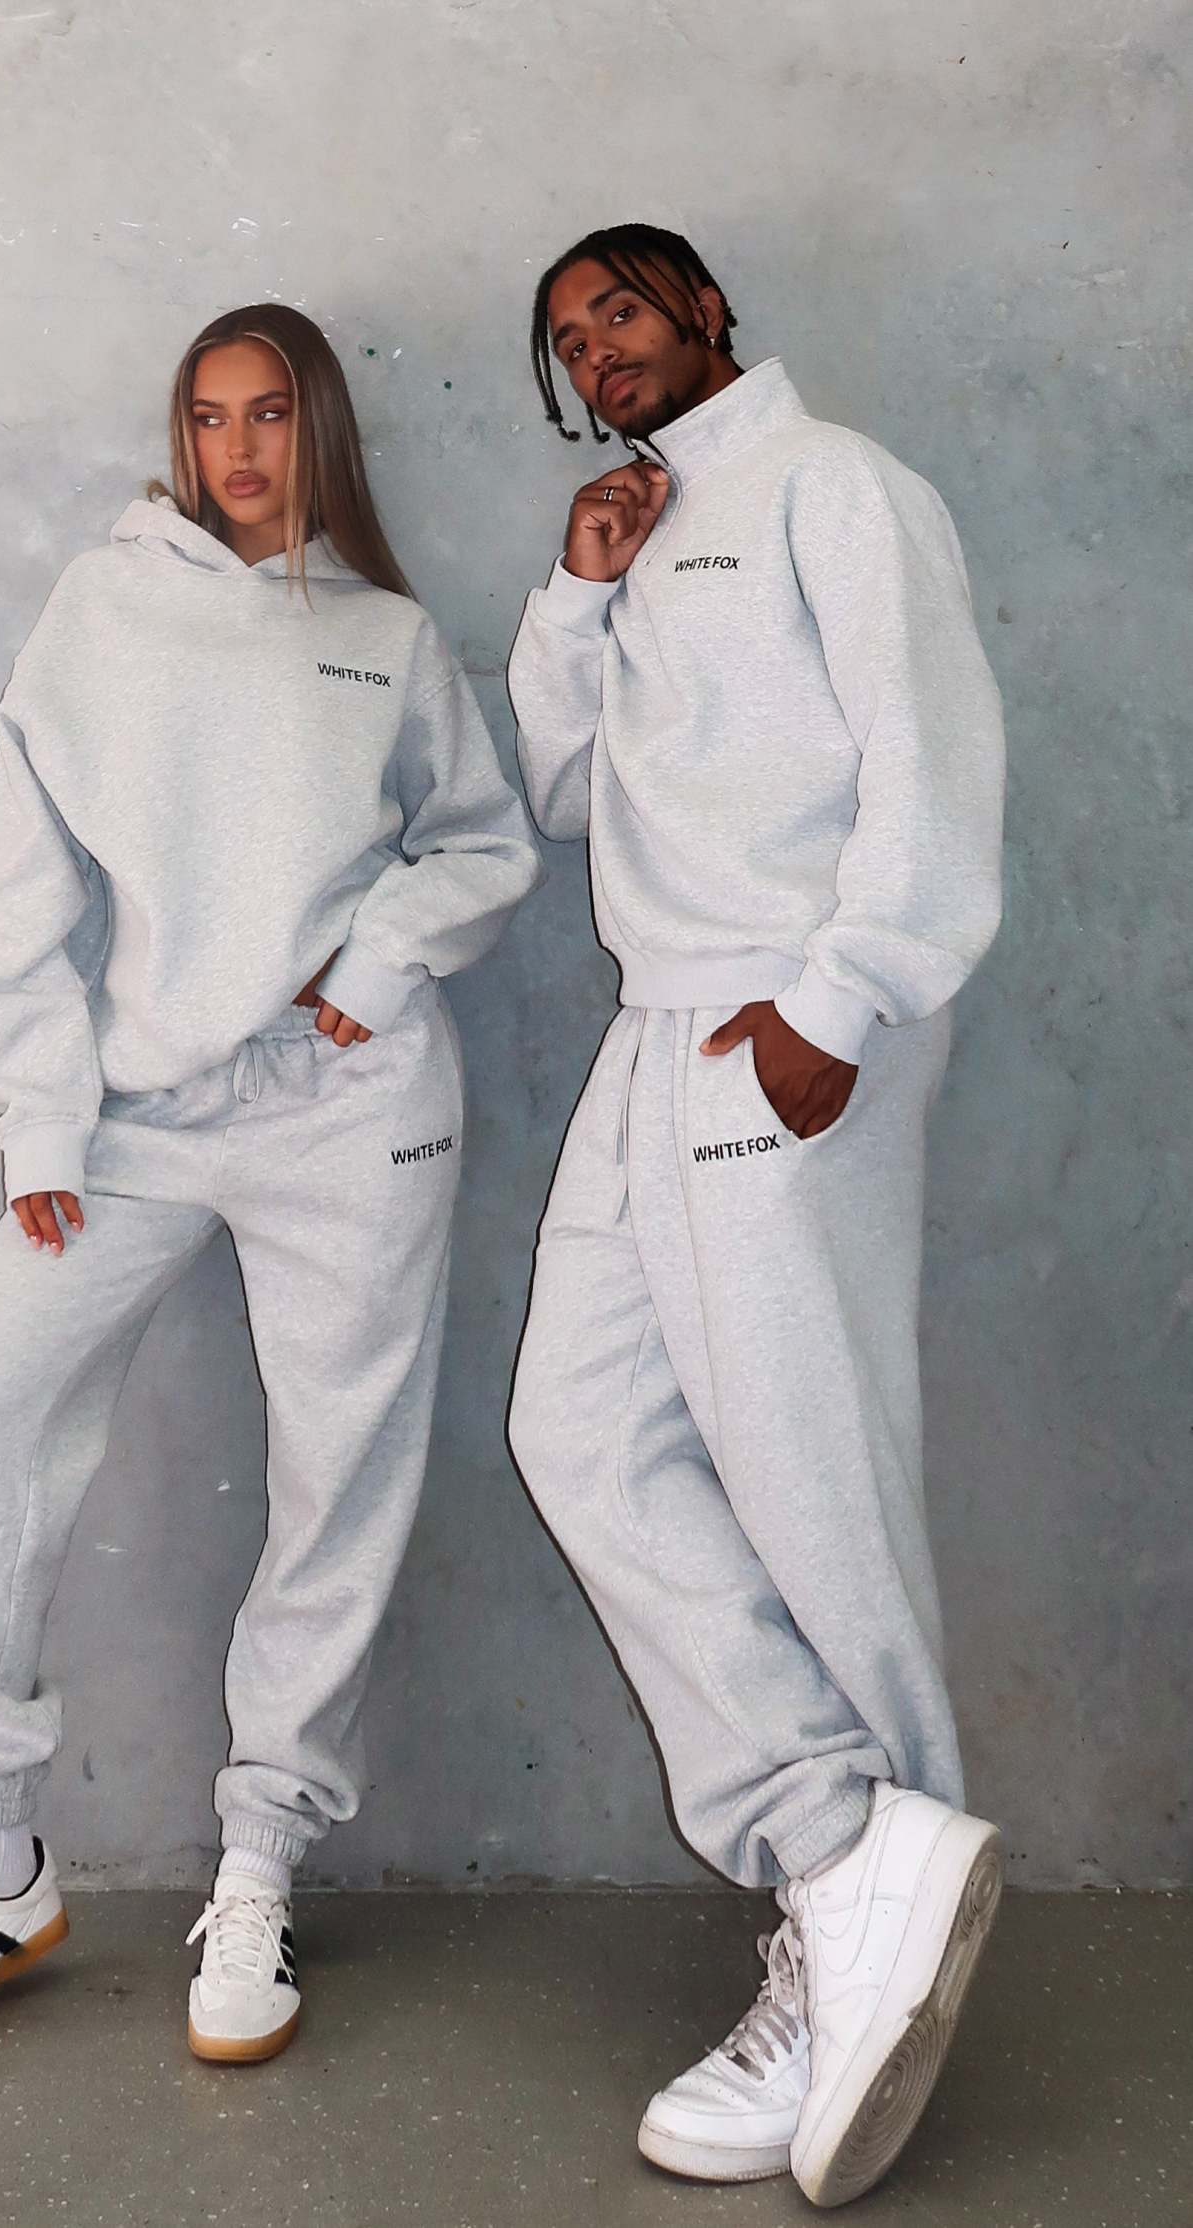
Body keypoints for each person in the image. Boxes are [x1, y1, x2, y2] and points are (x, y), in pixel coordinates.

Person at [0, 303, 541, 2069]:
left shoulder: (383, 638)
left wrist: (372, 967)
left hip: (352, 1111)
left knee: (337, 1476)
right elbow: (20, 889)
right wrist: (41, 1123)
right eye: (209, 416)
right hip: (137, 1116)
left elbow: (481, 842)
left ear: (321, 433)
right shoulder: (102, 613)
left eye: (270, 414)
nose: (236, 449)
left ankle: (261, 1867)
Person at [505, 223, 1006, 2208]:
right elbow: (560, 793)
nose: (598, 352)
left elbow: (933, 755)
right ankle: (840, 1843)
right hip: (655, 1029)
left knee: (807, 1473)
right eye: (568, 340)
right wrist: (578, 587)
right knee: (576, 1429)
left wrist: (844, 999)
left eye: (620, 310)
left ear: (705, 308)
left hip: (785, 1019)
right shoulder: (643, 527)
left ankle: (874, 1889)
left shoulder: (836, 486)